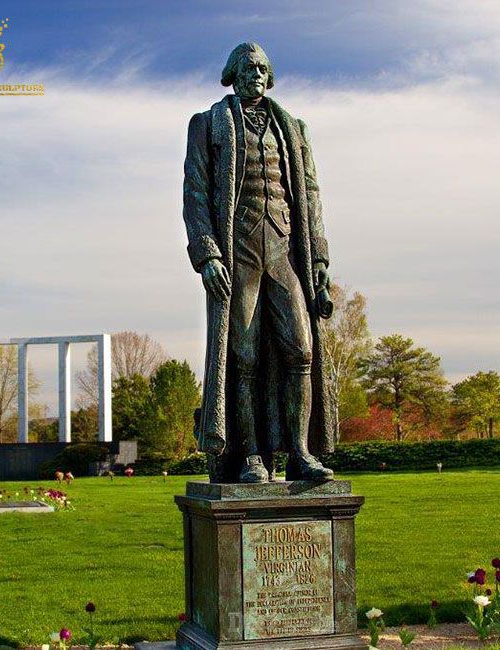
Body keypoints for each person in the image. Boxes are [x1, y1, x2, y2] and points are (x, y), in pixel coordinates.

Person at [183, 42, 335, 483]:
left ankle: (301, 453)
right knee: (243, 356)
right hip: (239, 252)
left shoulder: (293, 128)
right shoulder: (209, 123)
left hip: (286, 249)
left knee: (302, 351)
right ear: (233, 73)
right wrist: (208, 253)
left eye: (264, 68)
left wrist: (320, 258)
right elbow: (195, 192)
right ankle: (250, 455)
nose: (257, 74)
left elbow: (310, 195)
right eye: (249, 67)